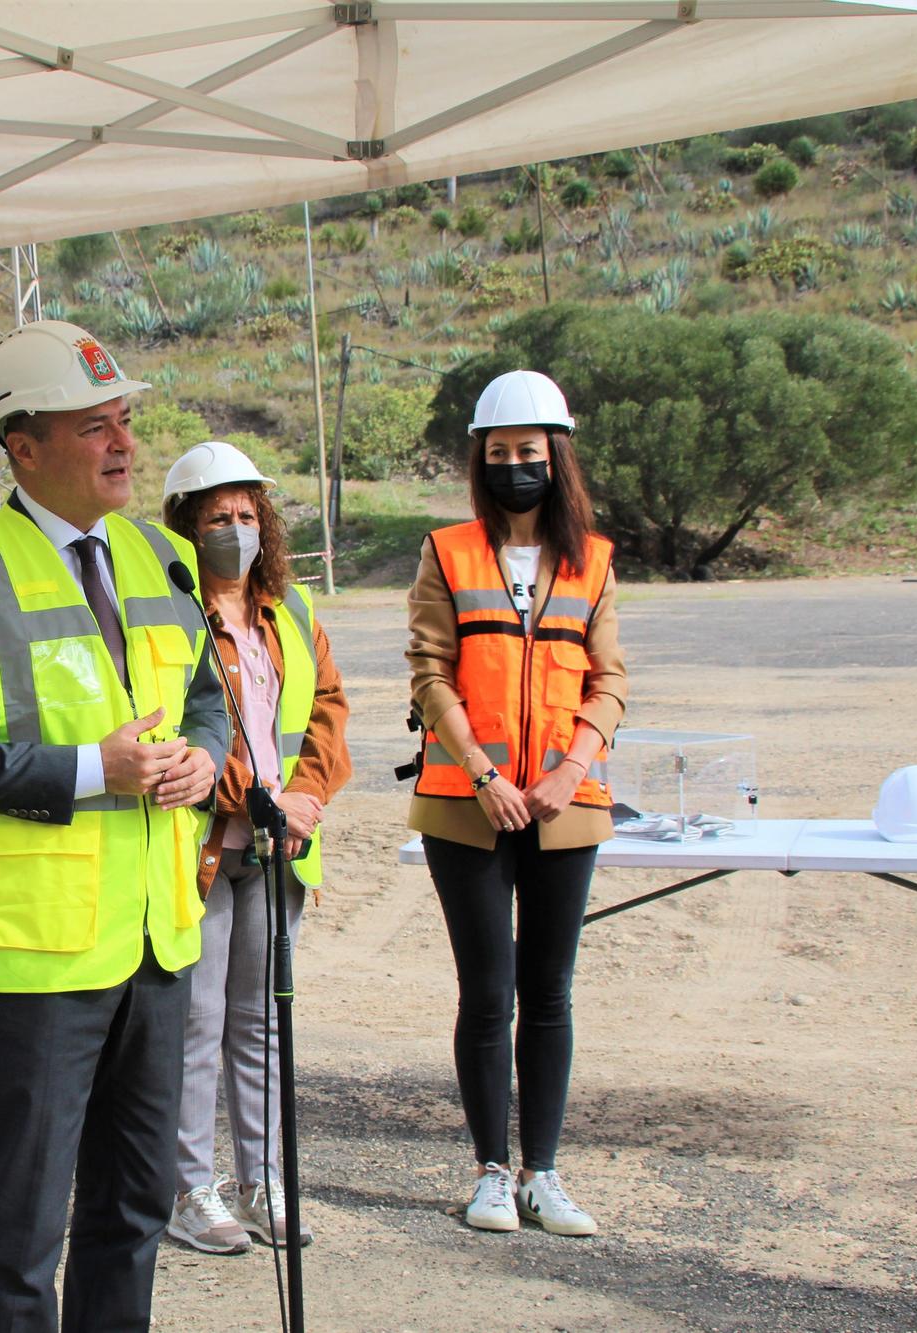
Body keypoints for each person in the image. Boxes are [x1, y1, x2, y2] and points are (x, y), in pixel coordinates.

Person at [0, 319, 230, 1332]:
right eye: (93, 426)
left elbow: (204, 696)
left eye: (123, 419)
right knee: (21, 1223)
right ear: (22, 447)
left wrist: (204, 757)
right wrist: (98, 770)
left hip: (155, 937)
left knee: (132, 1205)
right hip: (41, 955)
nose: (122, 443)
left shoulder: (159, 555)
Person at [404, 369, 627, 1238]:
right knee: (487, 990)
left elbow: (609, 680)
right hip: (470, 805)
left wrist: (571, 770)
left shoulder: (594, 560)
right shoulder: (448, 551)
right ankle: (491, 1171)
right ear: (480, 461)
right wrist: (487, 776)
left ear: (555, 457)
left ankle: (546, 1172)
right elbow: (429, 672)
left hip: (565, 805)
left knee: (551, 990)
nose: (513, 467)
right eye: (497, 454)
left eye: (528, 453)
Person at [157, 441, 353, 1256]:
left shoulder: (293, 610)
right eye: (216, 518)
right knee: (198, 1021)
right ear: (185, 529)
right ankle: (189, 1187)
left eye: (245, 515)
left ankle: (262, 1179)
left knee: (262, 1023)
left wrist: (306, 796)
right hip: (206, 845)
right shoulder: (167, 615)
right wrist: (253, 802)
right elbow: (187, 728)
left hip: (281, 850)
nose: (235, 530)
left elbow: (329, 710)